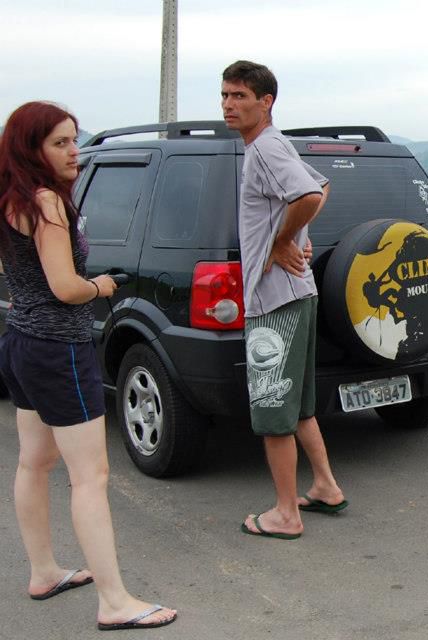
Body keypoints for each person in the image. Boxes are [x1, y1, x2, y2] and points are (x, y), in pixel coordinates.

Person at [0, 101, 177, 631]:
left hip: (21, 342)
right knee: (91, 477)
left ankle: (44, 572)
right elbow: (66, 288)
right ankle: (115, 601)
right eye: (59, 143)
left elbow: (24, 276)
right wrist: (99, 286)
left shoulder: (12, 200)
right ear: (31, 149)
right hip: (59, 350)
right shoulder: (47, 203)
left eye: (74, 139)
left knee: (34, 462)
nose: (73, 151)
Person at [221, 60, 347, 540]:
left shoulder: (265, 148)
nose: (229, 104)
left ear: (266, 101)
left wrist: (282, 239)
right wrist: (296, 234)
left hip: (275, 301)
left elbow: (310, 195)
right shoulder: (272, 144)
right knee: (297, 408)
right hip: (297, 295)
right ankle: (325, 486)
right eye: (225, 95)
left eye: (239, 96)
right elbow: (321, 185)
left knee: (274, 412)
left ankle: (285, 514)